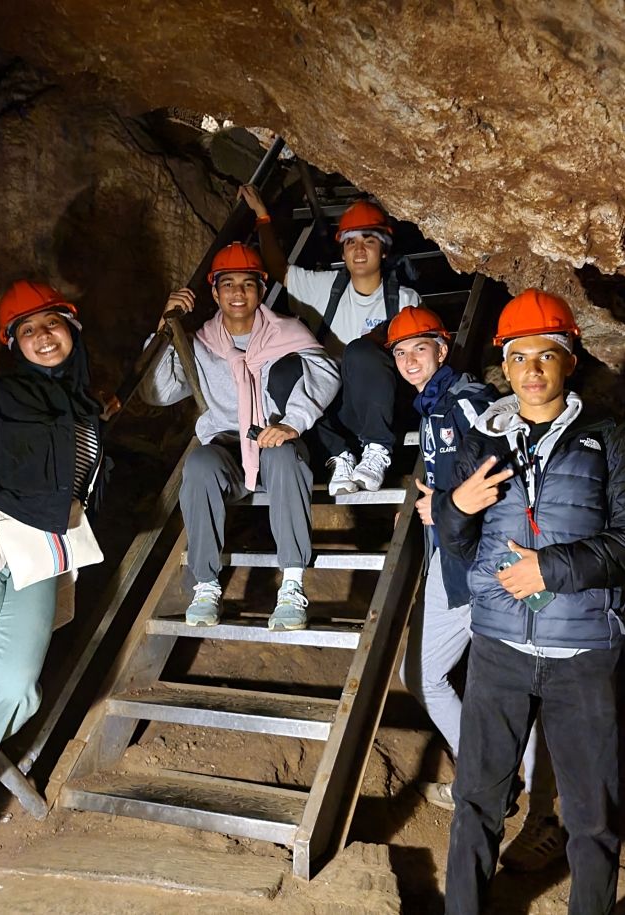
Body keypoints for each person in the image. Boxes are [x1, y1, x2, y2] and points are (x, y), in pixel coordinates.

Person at [437, 289, 625, 914]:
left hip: (585, 650)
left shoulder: (608, 439)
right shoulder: (478, 440)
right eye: (521, 357)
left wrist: (553, 567)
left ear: (570, 362)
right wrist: (454, 508)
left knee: (592, 815)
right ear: (506, 366)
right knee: (476, 802)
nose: (534, 369)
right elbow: (456, 539)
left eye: (549, 354)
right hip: (498, 647)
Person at [0, 281, 103, 915]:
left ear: (72, 328)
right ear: (12, 344)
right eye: (25, 328)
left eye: (52, 322)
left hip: (41, 553)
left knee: (15, 687)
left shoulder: (85, 406)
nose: (41, 334)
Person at [140, 242, 340, 631]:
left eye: (247, 284)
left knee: (284, 455)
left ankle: (292, 585)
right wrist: (164, 327)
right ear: (214, 293)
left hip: (274, 443)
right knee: (198, 463)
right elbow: (158, 391)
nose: (237, 293)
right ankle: (206, 584)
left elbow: (326, 373)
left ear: (260, 291)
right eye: (227, 284)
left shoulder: (288, 331)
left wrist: (293, 422)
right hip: (228, 450)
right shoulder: (199, 343)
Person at [387, 306, 499, 808]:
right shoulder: (433, 409)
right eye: (401, 352)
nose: (410, 359)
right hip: (452, 559)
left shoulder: (469, 400)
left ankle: (492, 785)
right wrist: (428, 504)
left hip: (482, 562)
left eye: (419, 348)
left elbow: (503, 466)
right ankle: (490, 778)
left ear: (442, 348)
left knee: (496, 683)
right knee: (437, 675)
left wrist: (446, 504)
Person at [240, 186, 420, 495]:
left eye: (369, 240)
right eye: (351, 242)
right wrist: (262, 217)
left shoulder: (405, 300)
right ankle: (341, 455)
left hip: (379, 405)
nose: (359, 250)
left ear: (385, 249)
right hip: (332, 409)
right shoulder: (327, 288)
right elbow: (279, 270)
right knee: (284, 369)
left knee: (360, 351)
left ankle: (377, 450)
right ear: (343, 251)